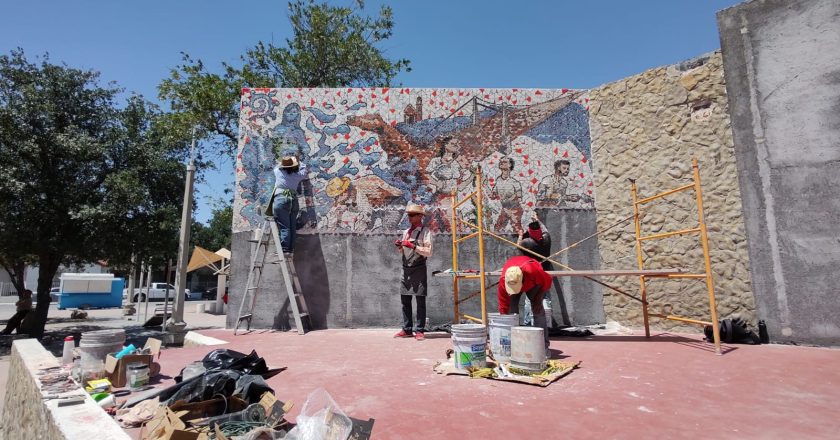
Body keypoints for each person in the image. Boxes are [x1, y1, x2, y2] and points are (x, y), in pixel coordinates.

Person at [394, 203, 433, 341]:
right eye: (408, 215)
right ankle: (407, 329)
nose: (409, 217)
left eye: (411, 215)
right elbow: (403, 251)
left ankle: (420, 330)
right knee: (405, 300)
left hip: (419, 268)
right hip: (406, 269)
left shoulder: (425, 232)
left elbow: (428, 252)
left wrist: (413, 245)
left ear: (420, 216)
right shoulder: (406, 232)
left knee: (420, 300)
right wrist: (400, 246)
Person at [498, 256, 552, 350]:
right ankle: (515, 344)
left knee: (537, 308)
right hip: (517, 281)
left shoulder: (532, 271)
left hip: (533, 283)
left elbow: (547, 281)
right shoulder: (504, 281)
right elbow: (503, 306)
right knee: (511, 312)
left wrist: (538, 298)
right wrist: (506, 322)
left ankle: (543, 346)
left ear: (522, 279)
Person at [516, 214, 554, 327]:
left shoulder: (527, 242)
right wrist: (538, 220)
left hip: (533, 272)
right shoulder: (547, 239)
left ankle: (529, 323)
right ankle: (546, 323)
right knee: (545, 297)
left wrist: (520, 235)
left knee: (530, 298)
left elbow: (518, 246)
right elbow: (545, 230)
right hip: (546, 272)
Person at [269, 155, 308, 254]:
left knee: (284, 226)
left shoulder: (278, 171)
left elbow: (278, 165)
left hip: (281, 199)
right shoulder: (297, 175)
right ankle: (290, 249)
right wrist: (298, 162)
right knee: (292, 225)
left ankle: (285, 249)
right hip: (293, 200)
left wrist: (286, 161)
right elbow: (304, 171)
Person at [490, 157, 524, 232]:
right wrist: (487, 188)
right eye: (501, 161)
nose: (501, 162)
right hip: (505, 209)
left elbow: (519, 198)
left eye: (504, 162)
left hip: (515, 210)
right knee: (497, 229)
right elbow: (493, 195)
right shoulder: (498, 180)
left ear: (510, 165)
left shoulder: (515, 183)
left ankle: (520, 242)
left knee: (517, 229)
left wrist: (508, 201)